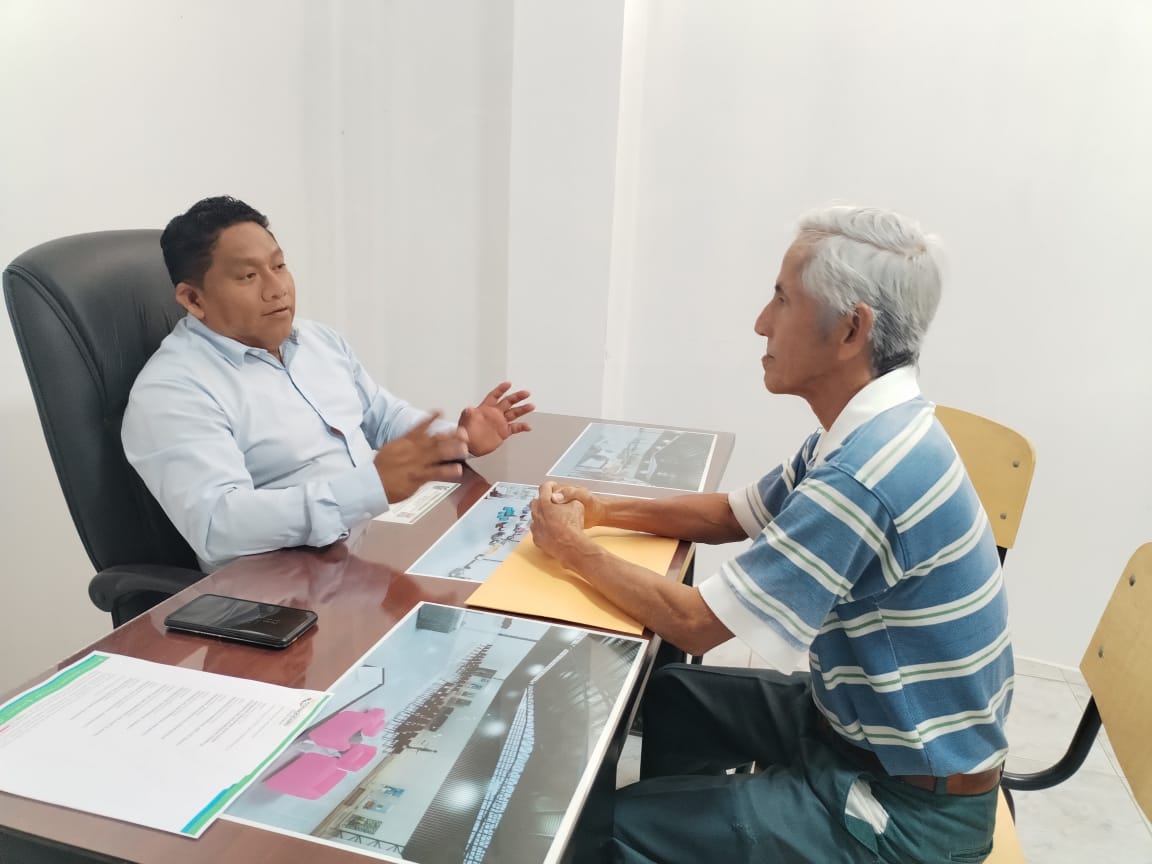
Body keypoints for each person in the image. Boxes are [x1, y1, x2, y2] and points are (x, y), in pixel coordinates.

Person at [529, 206, 1012, 863]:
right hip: (852, 732)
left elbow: (696, 625)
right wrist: (604, 510)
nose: (762, 322)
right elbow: (732, 515)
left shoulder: (864, 474)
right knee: (674, 697)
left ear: (851, 329)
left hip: (908, 814)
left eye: (782, 299)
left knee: (601, 833)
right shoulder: (870, 429)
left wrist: (570, 548)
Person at [123, 195, 533, 572]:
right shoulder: (172, 391)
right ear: (193, 299)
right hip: (281, 586)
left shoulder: (319, 340)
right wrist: (370, 487)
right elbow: (218, 526)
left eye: (279, 266)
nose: (276, 289)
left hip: (369, 547)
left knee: (518, 566)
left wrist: (457, 439)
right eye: (248, 276)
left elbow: (383, 416)